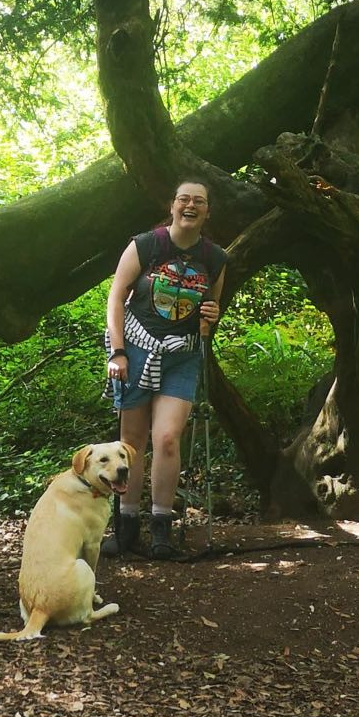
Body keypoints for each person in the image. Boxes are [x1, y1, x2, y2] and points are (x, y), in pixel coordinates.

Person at [102, 177, 227, 560]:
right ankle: (125, 528)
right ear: (172, 205)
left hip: (182, 355)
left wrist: (211, 316)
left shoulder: (215, 258)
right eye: (184, 199)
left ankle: (161, 530)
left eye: (199, 201)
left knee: (168, 438)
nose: (191, 206)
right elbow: (115, 298)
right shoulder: (146, 245)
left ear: (207, 211)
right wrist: (118, 351)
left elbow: (209, 314)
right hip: (136, 350)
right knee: (132, 444)